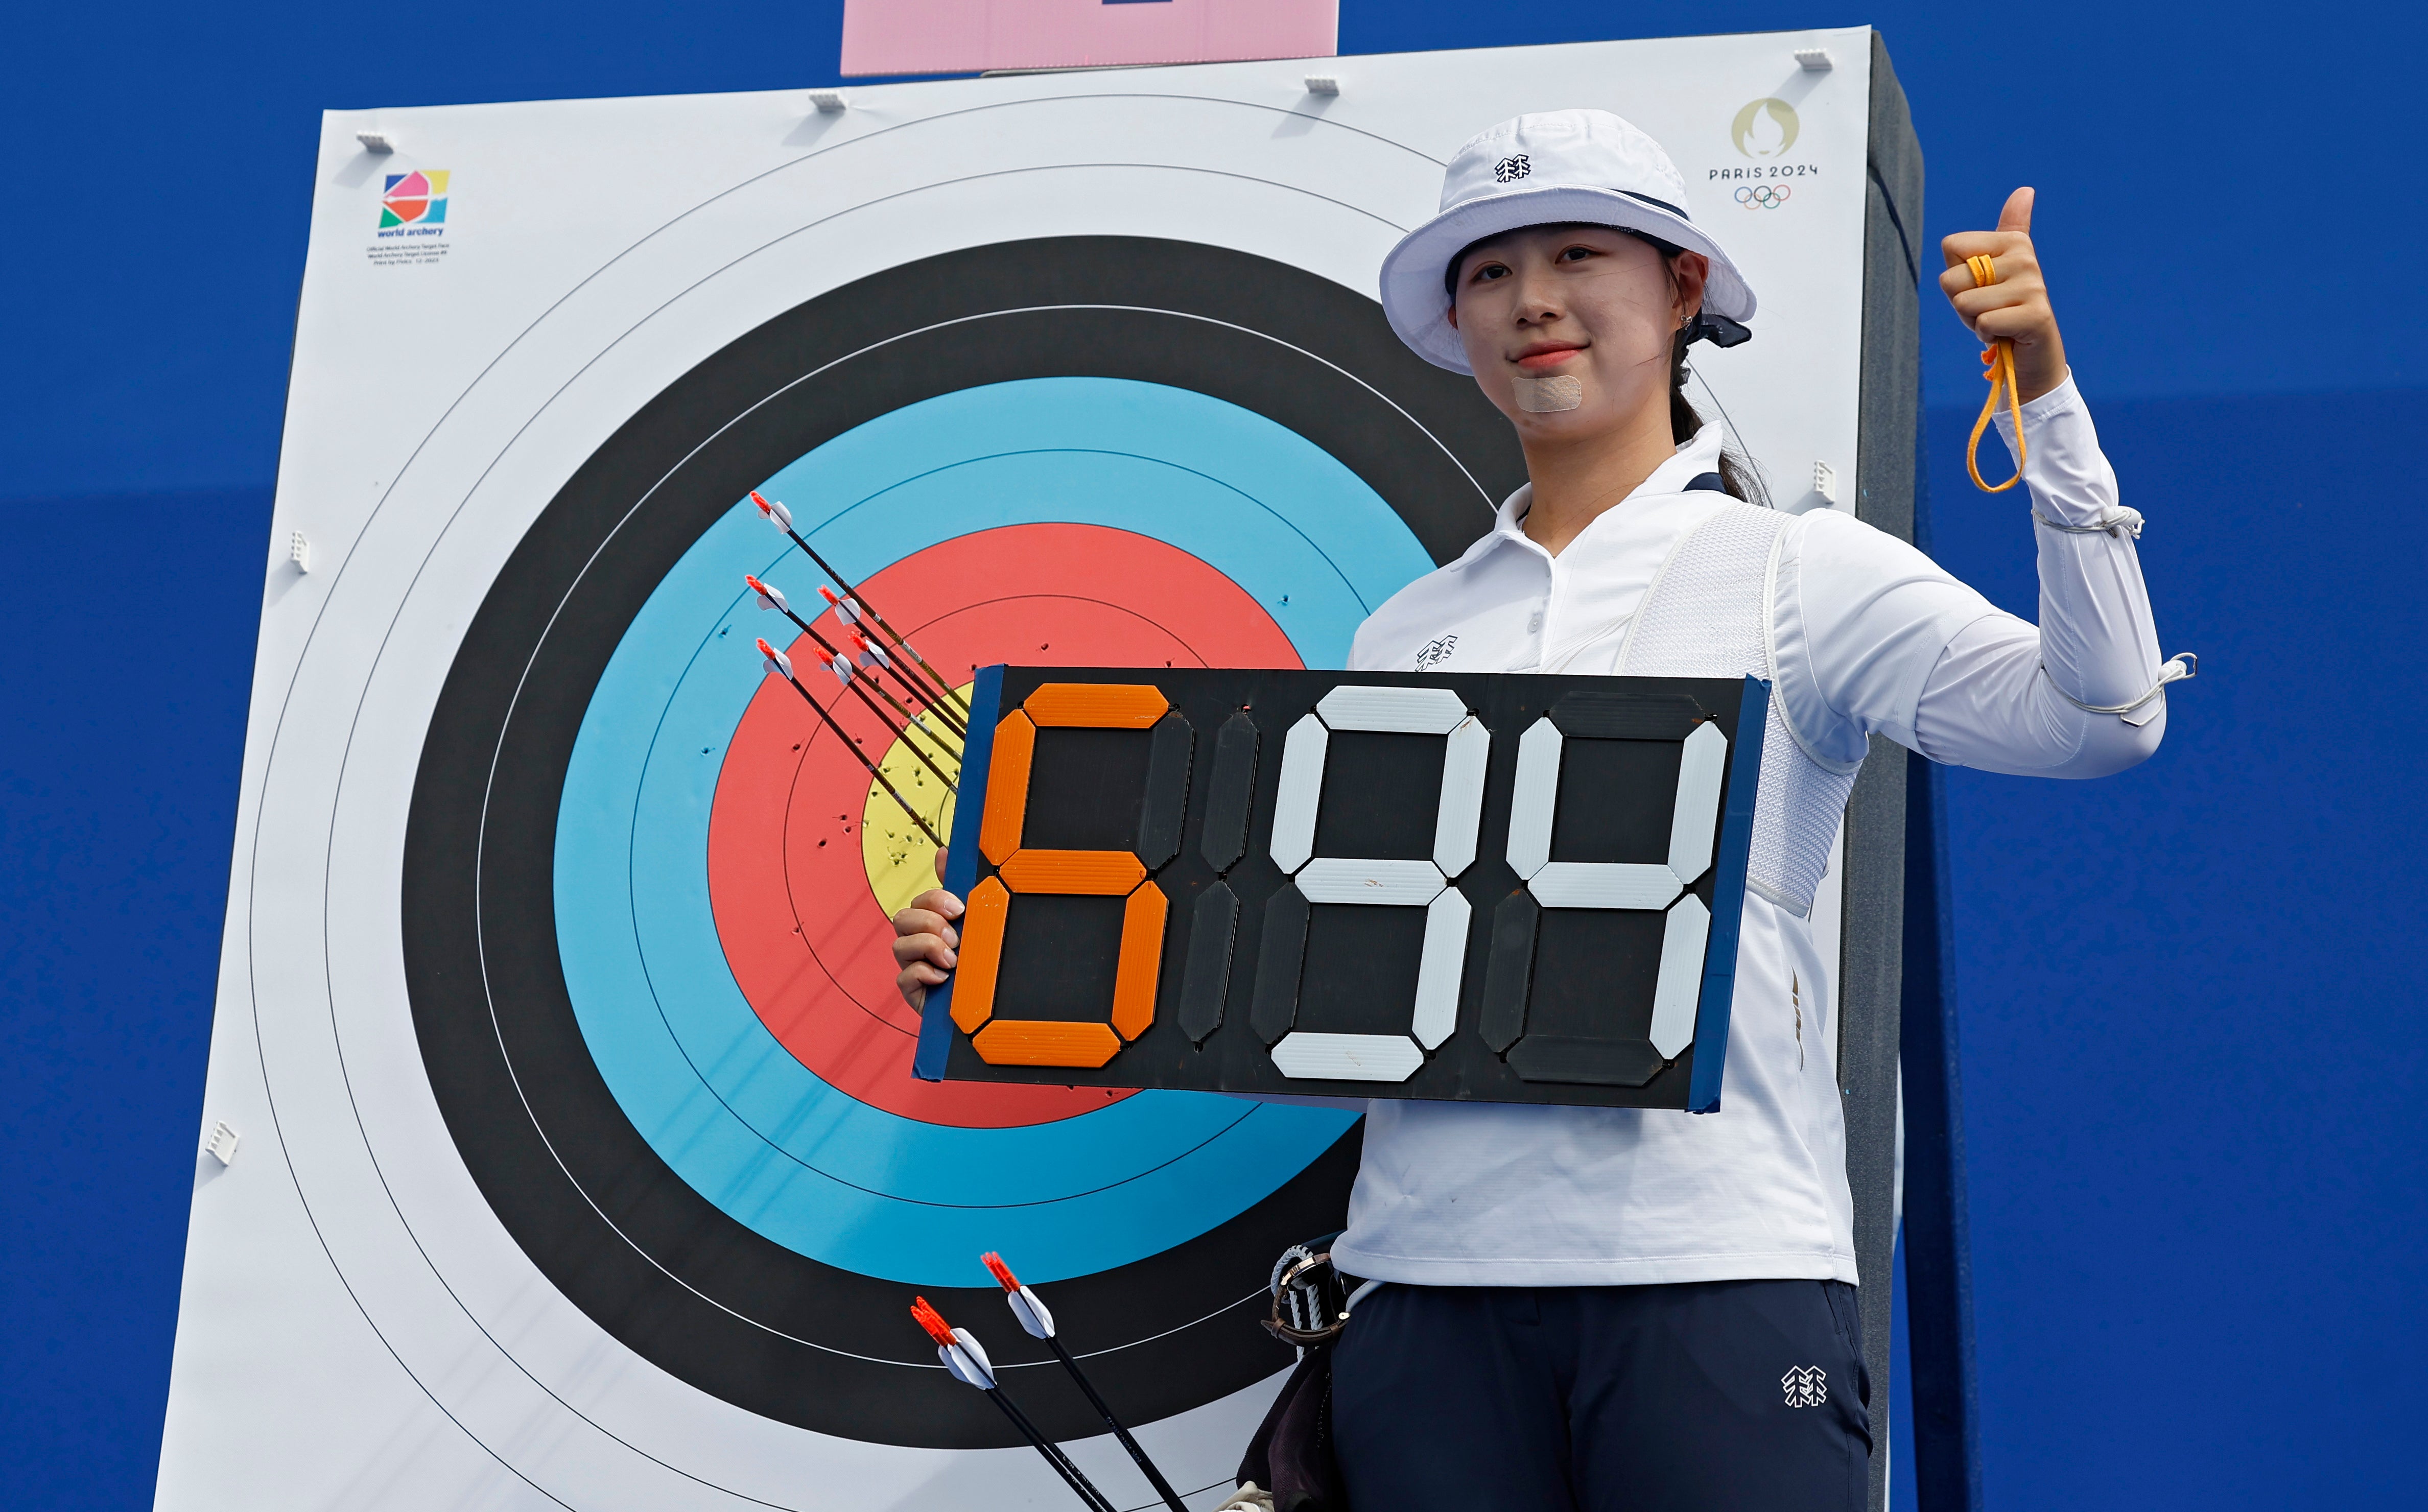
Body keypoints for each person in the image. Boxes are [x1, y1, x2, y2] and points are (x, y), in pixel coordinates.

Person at [892, 109, 2178, 1511]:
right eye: (1490, 271)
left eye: (1577, 254)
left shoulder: (1798, 571)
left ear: (1681, 290)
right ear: (1456, 317)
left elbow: (2103, 717)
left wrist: (2043, 397)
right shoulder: (1407, 627)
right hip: (1422, 1294)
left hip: (1714, 1275)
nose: (1534, 301)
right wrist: (1013, 947)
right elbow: (1292, 954)